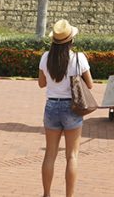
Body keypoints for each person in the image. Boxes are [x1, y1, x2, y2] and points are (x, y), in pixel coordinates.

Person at [38, 19, 92, 197]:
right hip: (72, 107)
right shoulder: (78, 58)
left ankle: (47, 194)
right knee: (72, 156)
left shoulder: (46, 57)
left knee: (50, 155)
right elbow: (90, 85)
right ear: (71, 40)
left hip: (52, 105)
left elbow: (41, 83)